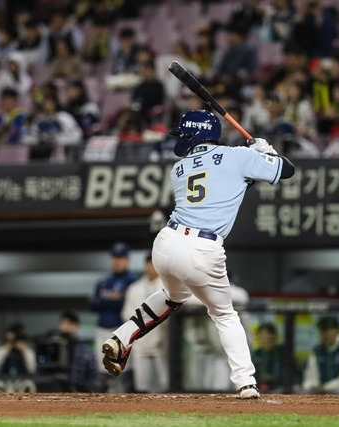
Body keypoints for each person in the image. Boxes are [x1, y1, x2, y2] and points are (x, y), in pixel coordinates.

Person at [100, 109, 296, 399]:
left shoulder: (178, 168)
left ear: (196, 136)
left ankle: (122, 336)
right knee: (225, 315)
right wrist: (266, 153)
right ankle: (246, 383)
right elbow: (287, 170)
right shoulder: (236, 156)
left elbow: (231, 182)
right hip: (203, 249)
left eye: (184, 134)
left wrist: (255, 156)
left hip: (166, 243)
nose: (181, 139)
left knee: (172, 296)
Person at [88, 241, 137, 391]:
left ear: (127, 259)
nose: (117, 261)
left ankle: (133, 411)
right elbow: (92, 306)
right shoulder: (103, 281)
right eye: (115, 257)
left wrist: (106, 301)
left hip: (122, 330)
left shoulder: (132, 282)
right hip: (102, 329)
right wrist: (113, 300)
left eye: (120, 257)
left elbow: (124, 307)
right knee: (102, 376)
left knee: (127, 374)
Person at [121, 254, 169, 393]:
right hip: (141, 341)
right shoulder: (134, 288)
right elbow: (126, 313)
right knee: (141, 383)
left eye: (154, 264)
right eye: (149, 264)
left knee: (166, 380)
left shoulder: (167, 286)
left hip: (162, 340)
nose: (151, 267)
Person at [302, 316, 339, 394]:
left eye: (328, 330)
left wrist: (326, 387)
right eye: (322, 331)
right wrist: (312, 386)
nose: (325, 334)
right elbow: (310, 377)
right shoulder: (317, 350)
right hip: (320, 392)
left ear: (337, 330)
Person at [57, 309, 98, 392]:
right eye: (63, 323)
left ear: (77, 326)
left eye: (70, 323)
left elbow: (93, 379)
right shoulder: (53, 346)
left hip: (80, 393)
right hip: (54, 392)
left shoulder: (85, 350)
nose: (66, 327)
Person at [251, 323, 286, 393]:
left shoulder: (283, 352)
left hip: (281, 389)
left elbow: (290, 377)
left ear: (275, 336)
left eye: (269, 336)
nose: (267, 339)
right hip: (258, 389)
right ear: (259, 338)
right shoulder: (256, 354)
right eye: (264, 336)